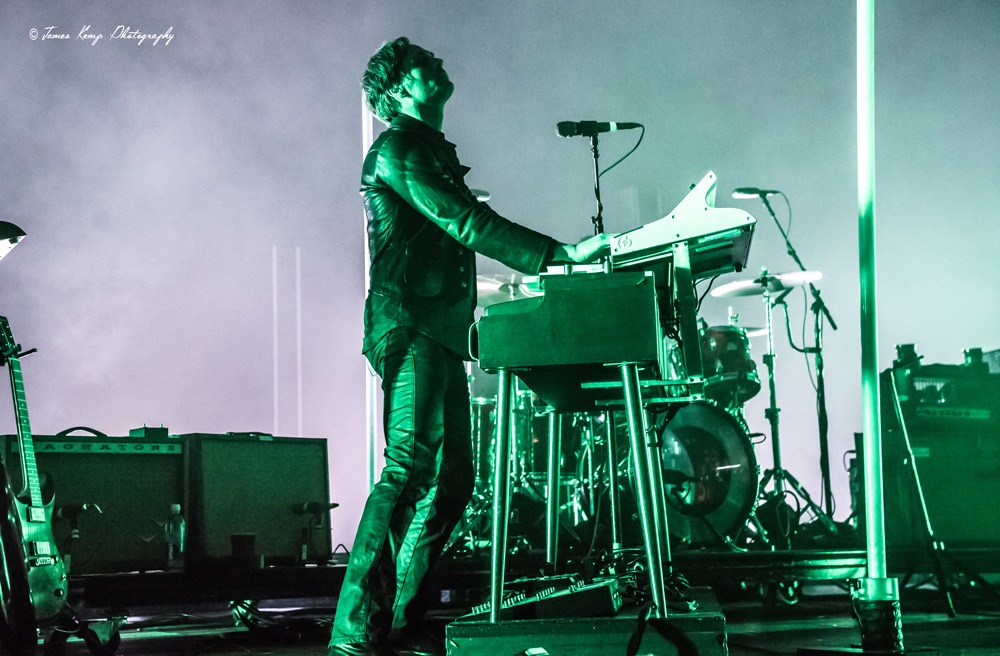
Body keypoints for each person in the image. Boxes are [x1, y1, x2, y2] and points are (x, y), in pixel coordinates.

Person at [328, 37, 610, 656]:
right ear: (400, 87)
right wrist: (556, 254)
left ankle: (401, 616)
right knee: (407, 468)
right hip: (410, 325)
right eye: (426, 64)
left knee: (454, 477)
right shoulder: (400, 148)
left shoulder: (425, 148)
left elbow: (461, 224)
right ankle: (354, 630)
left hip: (438, 330)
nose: (441, 65)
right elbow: (465, 221)